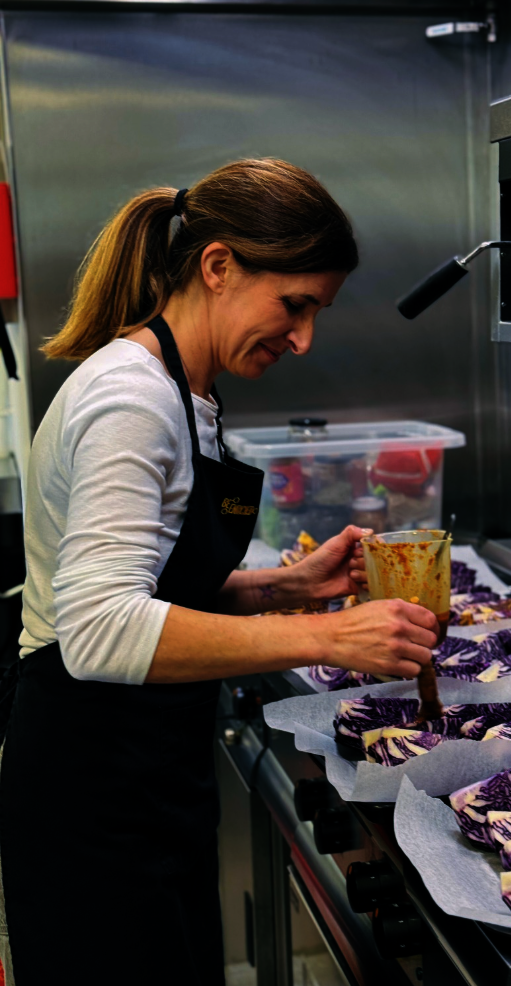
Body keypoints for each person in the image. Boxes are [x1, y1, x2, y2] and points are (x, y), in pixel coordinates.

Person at [0, 158, 438, 985]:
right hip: (89, 791)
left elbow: (155, 584)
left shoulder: (186, 392)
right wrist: (330, 637)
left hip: (150, 775)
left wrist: (285, 588)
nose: (304, 338)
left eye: (317, 312)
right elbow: (99, 631)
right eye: (294, 305)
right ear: (217, 266)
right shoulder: (133, 401)